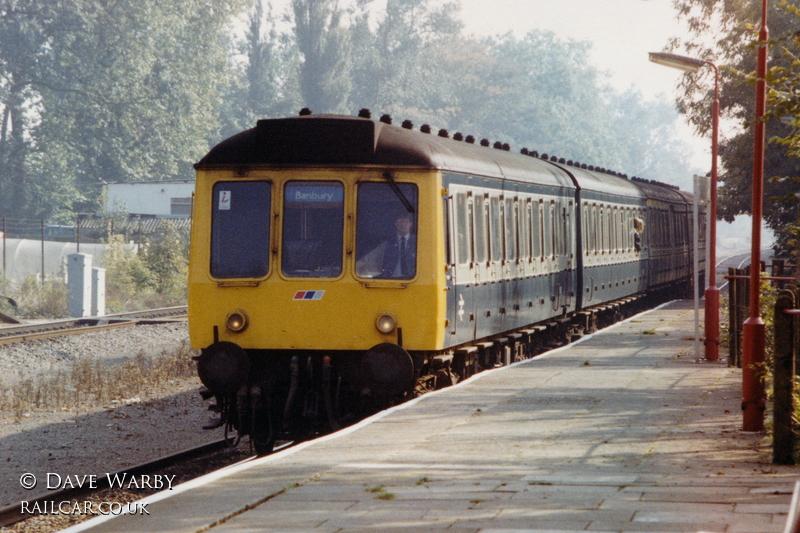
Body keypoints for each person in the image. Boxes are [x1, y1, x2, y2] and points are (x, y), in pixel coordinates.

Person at [356, 212, 416, 279]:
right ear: (396, 224)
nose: (403, 224)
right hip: (389, 280)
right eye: (400, 222)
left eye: (406, 222)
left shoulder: (417, 242)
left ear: (411, 224)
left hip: (412, 281)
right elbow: (373, 256)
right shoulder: (387, 242)